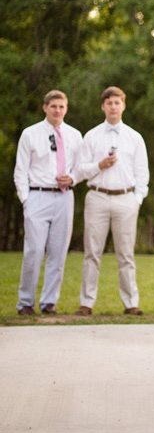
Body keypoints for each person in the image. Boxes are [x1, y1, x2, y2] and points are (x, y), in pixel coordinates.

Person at [74, 86, 149, 317]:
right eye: (109, 103)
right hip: (97, 196)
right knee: (92, 253)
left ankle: (130, 303)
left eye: (117, 102)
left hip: (125, 199)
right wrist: (99, 165)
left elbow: (142, 174)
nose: (113, 107)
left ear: (123, 105)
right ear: (103, 106)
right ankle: (86, 303)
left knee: (126, 254)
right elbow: (79, 169)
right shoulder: (92, 136)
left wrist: (136, 199)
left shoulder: (134, 137)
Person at [13, 90, 82, 315]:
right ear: (45, 108)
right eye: (53, 106)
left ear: (66, 108)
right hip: (37, 195)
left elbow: (80, 167)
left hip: (64, 197)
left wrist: (73, 178)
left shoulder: (74, 135)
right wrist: (26, 200)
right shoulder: (30, 134)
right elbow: (20, 171)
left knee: (58, 252)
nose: (57, 111)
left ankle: (49, 301)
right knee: (33, 251)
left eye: (61, 107)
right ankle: (25, 302)